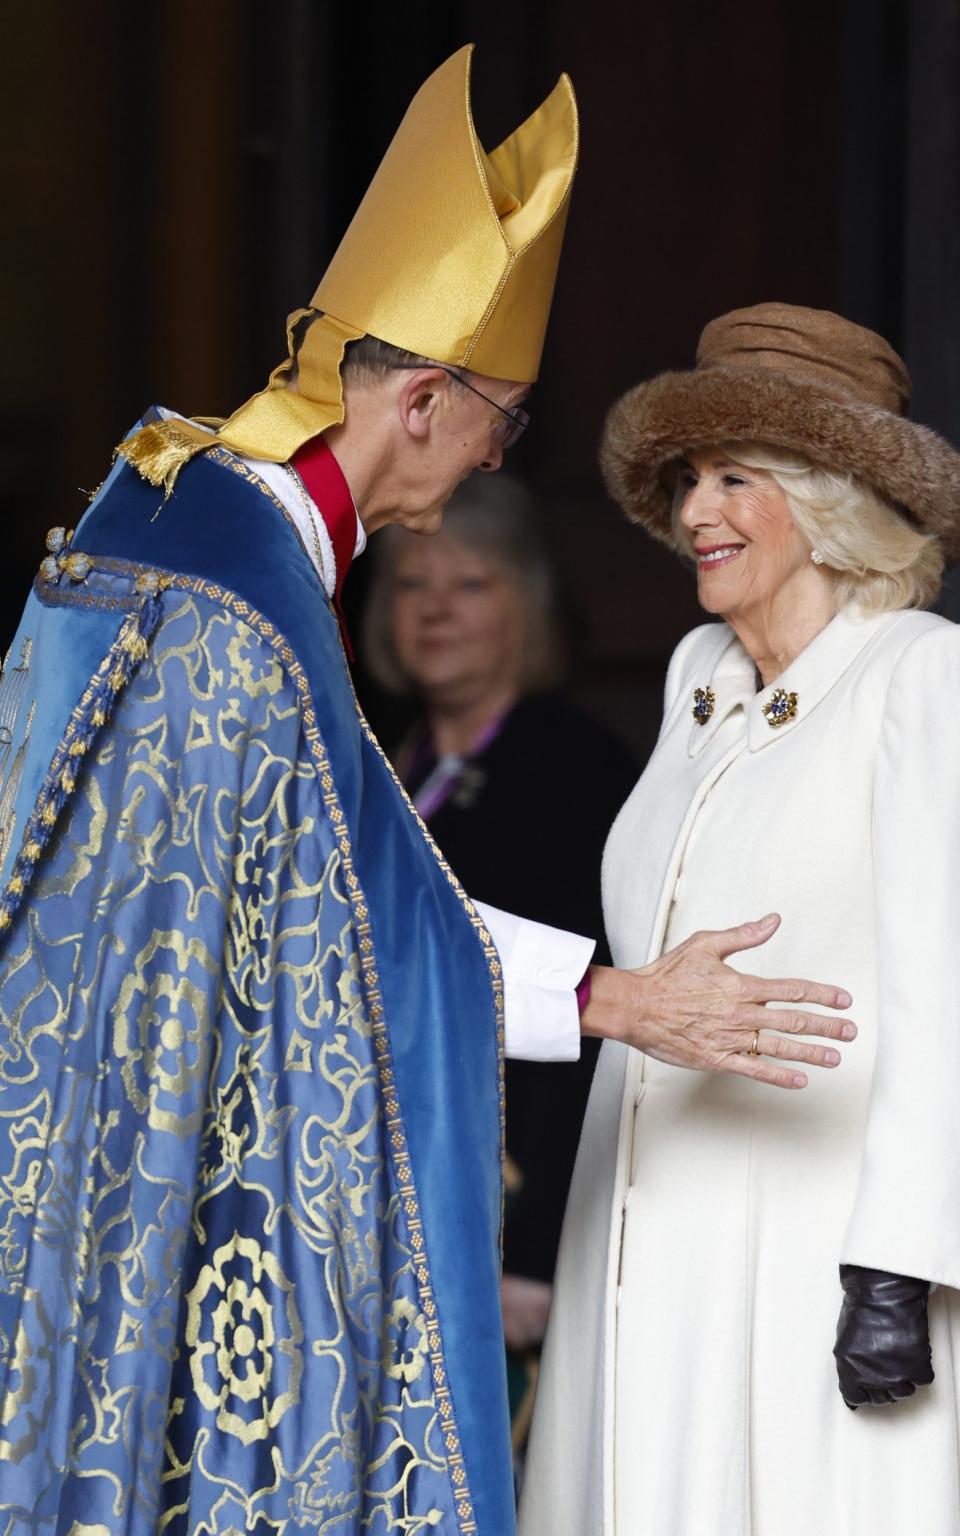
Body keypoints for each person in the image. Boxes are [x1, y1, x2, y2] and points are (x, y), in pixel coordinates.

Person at [0, 48, 852, 1533]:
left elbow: (334, 899)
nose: (492, 459)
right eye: (501, 421)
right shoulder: (241, 609)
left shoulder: (165, 517)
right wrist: (620, 1001)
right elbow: (361, 922)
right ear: (421, 401)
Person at [520, 302, 960, 1536]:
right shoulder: (696, 679)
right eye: (687, 479)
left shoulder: (918, 673)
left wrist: (897, 1265)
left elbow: (947, 992)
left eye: (734, 478)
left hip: (808, 1236)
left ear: (829, 500)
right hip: (640, 1216)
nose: (694, 511)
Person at [363, 474, 637, 1458]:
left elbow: (596, 1010)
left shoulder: (575, 768)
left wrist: (536, 1251)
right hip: (389, 1199)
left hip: (507, 1211)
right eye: (410, 584)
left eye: (469, 584)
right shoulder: (383, 759)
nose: (433, 608)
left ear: (526, 602)